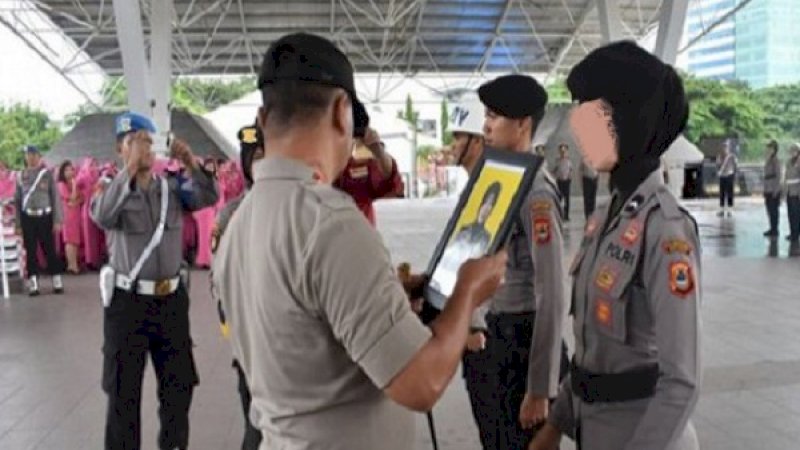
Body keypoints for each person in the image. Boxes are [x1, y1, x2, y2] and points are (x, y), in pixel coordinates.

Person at [212, 32, 506, 450]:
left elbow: (301, 325)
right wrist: (468, 291)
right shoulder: (330, 223)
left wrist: (388, 295)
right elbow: (422, 383)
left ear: (262, 120)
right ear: (340, 111)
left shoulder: (238, 224)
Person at [531, 41, 701, 450]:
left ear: (626, 120)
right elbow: (593, 350)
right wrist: (555, 424)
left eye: (591, 112)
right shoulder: (605, 217)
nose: (576, 125)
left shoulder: (666, 230)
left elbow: (682, 381)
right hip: (594, 431)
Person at [91, 112, 218, 450]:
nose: (144, 148)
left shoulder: (171, 189)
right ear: (121, 149)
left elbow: (209, 197)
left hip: (171, 302)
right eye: (135, 142)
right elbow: (102, 216)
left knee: (179, 389)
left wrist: (190, 161)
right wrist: (129, 171)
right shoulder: (109, 189)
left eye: (148, 141)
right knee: (123, 395)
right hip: (127, 303)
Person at [478, 74, 567, 449]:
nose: (486, 125)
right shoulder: (501, 179)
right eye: (486, 114)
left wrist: (541, 388)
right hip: (499, 336)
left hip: (523, 342)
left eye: (494, 116)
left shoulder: (536, 193)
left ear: (522, 124)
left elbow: (553, 291)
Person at [210, 122, 266, 450]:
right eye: (253, 157)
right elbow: (218, 280)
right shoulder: (230, 214)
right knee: (255, 429)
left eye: (264, 155)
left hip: (290, 338)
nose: (259, 163)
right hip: (250, 337)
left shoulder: (298, 207)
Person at [334, 110, 404, 226]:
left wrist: (377, 150)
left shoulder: (356, 170)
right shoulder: (307, 171)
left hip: (359, 240)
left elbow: (389, 180)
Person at [14, 145, 64, 296]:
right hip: (27, 217)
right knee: (30, 251)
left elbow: (55, 198)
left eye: (33, 154)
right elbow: (17, 201)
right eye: (28, 155)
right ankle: (33, 283)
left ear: (39, 156)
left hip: (45, 216)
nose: (30, 157)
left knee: (49, 249)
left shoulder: (47, 175)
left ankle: (56, 279)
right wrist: (18, 223)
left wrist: (57, 220)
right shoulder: (20, 176)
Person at [193, 158, 223, 269]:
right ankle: (203, 260)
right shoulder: (201, 180)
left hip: (211, 210)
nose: (210, 168)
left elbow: (219, 195)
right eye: (208, 166)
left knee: (209, 236)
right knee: (203, 237)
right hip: (203, 210)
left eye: (211, 166)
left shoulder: (214, 179)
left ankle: (207, 260)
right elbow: (197, 194)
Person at [57, 160, 84, 274]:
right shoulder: (61, 184)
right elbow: (72, 198)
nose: (70, 172)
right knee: (69, 240)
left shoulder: (75, 183)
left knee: (75, 240)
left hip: (76, 213)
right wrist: (73, 186)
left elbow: (81, 198)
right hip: (67, 214)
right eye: (67, 170)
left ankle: (74, 264)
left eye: (72, 169)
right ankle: (71, 265)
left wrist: (75, 200)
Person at [763, 140, 782, 238]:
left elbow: (778, 176)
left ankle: (775, 229)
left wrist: (776, 190)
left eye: (770, 148)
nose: (768, 149)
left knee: (774, 210)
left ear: (774, 149)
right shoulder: (769, 159)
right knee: (769, 209)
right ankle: (772, 228)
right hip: (768, 188)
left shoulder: (776, 160)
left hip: (773, 188)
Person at [717, 141, 738, 217]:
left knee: (730, 193)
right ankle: (722, 210)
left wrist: (734, 176)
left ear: (728, 148)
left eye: (726, 147)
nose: (724, 149)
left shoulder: (732, 157)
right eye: (723, 147)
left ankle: (730, 211)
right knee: (722, 194)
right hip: (722, 176)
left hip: (729, 175)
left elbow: (735, 166)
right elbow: (718, 165)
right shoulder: (719, 156)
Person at [785, 143, 800, 243]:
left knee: (796, 214)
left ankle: (796, 234)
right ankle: (792, 232)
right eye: (791, 150)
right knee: (790, 214)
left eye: (793, 150)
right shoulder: (789, 162)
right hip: (789, 190)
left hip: (796, 191)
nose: (791, 152)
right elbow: (786, 176)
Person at [555, 144, 573, 221]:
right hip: (559, 181)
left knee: (567, 199)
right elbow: (554, 170)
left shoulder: (569, 161)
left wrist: (569, 177)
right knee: (559, 199)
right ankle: (559, 215)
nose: (563, 152)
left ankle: (566, 215)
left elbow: (571, 170)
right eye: (561, 151)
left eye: (564, 151)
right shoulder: (557, 160)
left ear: (566, 151)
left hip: (566, 182)